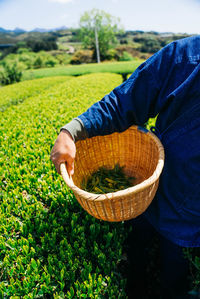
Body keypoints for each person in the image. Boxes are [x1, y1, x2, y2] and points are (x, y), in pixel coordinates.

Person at [51, 35, 200, 298]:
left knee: (172, 278)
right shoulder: (186, 56)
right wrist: (70, 132)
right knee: (136, 260)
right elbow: (124, 101)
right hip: (146, 194)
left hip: (189, 223)